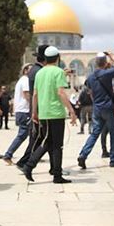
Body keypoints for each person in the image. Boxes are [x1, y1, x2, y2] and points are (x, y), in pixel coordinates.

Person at [22, 46, 77, 183]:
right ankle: (46, 171)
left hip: (44, 113)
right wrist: (71, 110)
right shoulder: (59, 72)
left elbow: (35, 95)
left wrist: (34, 112)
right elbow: (61, 92)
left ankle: (35, 167)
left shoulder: (39, 73)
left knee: (48, 142)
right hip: (56, 113)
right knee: (55, 145)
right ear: (57, 58)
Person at [77, 52, 114, 169]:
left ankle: (83, 154)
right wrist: (112, 56)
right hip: (108, 106)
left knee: (95, 133)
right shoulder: (107, 73)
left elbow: (90, 92)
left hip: (97, 107)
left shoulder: (90, 77)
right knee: (113, 132)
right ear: (105, 62)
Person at [15, 45, 48, 170]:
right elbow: (37, 93)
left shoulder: (34, 69)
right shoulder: (39, 71)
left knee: (37, 138)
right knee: (39, 139)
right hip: (39, 110)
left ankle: (24, 162)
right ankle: (25, 163)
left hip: (36, 109)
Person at [3, 64, 31, 165]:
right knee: (23, 135)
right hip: (24, 111)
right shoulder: (25, 80)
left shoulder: (22, 80)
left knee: (25, 134)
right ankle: (8, 154)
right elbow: (26, 94)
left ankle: (31, 155)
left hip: (21, 111)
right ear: (25, 70)